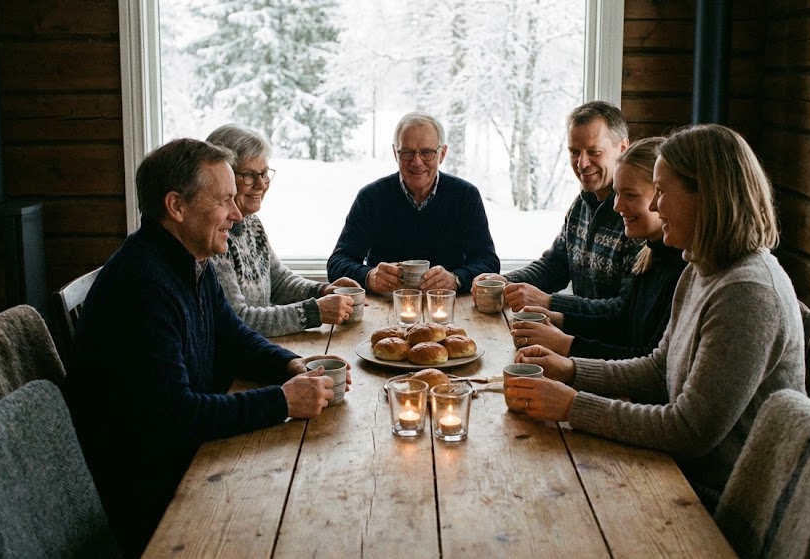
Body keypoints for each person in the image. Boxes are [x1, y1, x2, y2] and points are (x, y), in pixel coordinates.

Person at [62, 138, 348, 556]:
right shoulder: (142, 287)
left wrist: (291, 365)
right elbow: (175, 417)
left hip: (184, 456)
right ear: (176, 206)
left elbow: (232, 336)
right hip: (147, 492)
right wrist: (281, 402)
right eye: (224, 201)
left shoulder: (189, 259)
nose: (236, 215)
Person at [507, 124, 806, 510]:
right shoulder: (702, 267)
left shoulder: (748, 292)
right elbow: (657, 367)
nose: (653, 206)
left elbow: (689, 430)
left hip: (725, 499)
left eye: (661, 192)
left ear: (707, 196)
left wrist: (572, 405)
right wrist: (570, 369)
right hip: (678, 470)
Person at [510, 137, 686, 360]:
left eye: (630, 195)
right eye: (617, 193)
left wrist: (565, 344)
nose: (617, 206)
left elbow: (648, 363)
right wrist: (559, 319)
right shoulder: (651, 253)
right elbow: (621, 319)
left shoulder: (683, 267)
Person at [473, 100, 642, 314]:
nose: (582, 163)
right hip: (578, 334)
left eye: (594, 152)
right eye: (574, 152)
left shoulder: (634, 216)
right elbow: (555, 266)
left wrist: (549, 303)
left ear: (623, 148)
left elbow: (624, 311)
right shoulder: (581, 204)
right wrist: (505, 281)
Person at [206, 124, 361, 337]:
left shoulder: (251, 223)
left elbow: (278, 281)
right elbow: (239, 319)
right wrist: (315, 311)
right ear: (224, 178)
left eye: (264, 173)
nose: (261, 184)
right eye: (249, 175)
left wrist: (322, 291)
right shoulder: (214, 236)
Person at [327, 111, 500, 294]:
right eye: (407, 153)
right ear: (395, 153)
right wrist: (369, 276)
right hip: (383, 308)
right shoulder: (371, 197)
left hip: (451, 307)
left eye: (427, 152)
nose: (417, 162)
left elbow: (488, 263)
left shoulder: (465, 196)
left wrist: (456, 278)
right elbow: (337, 263)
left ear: (442, 154)